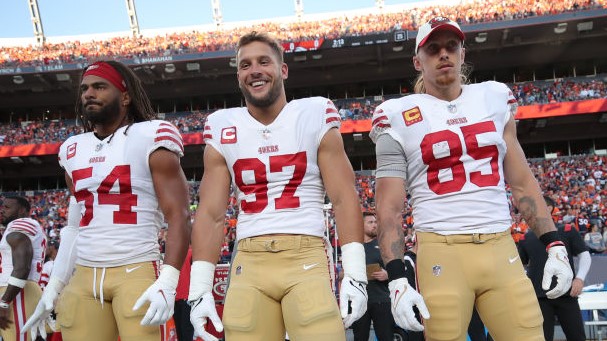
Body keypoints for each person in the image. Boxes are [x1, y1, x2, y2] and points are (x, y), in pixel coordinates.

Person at [370, 16, 574, 341]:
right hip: (441, 250)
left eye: (451, 46)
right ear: (417, 61)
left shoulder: (493, 98)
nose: (444, 54)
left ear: (463, 53)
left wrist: (554, 243)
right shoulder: (397, 115)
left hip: (499, 244)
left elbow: (521, 181)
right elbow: (389, 206)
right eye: (433, 49)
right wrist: (396, 276)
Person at [187, 31, 368, 341]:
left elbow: (343, 196)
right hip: (249, 259)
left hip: (305, 254)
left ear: (282, 70)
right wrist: (199, 287)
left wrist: (356, 272)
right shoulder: (222, 124)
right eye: (245, 65)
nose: (254, 70)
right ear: (238, 76)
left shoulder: (313, 113)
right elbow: (211, 213)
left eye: (263, 62)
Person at [22, 60, 191, 341]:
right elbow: (75, 228)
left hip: (135, 268)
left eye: (100, 86)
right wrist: (54, 287)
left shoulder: (151, 135)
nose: (89, 93)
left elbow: (179, 216)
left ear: (125, 96)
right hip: (84, 276)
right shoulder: (73, 149)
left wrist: (168, 282)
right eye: (85, 88)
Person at [518, 196, 590, 341]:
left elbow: (585, 255)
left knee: (577, 337)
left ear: (549, 208)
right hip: (539, 298)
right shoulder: (526, 238)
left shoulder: (567, 230)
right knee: (542, 338)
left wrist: (580, 279)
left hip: (567, 294)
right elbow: (520, 265)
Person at [0, 196, 46, 341]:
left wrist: (4, 303)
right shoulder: (21, 226)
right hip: (17, 290)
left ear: (22, 211)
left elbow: (22, 268)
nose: (2, 210)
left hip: (18, 292)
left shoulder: (21, 224)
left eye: (7, 207)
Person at [351, 212, 395, 341]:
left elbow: (398, 270)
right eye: (370, 222)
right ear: (361, 225)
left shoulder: (384, 245)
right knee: (359, 338)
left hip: (382, 299)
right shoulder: (354, 247)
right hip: (359, 300)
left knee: (386, 337)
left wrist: (387, 274)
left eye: (376, 222)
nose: (375, 225)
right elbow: (342, 273)